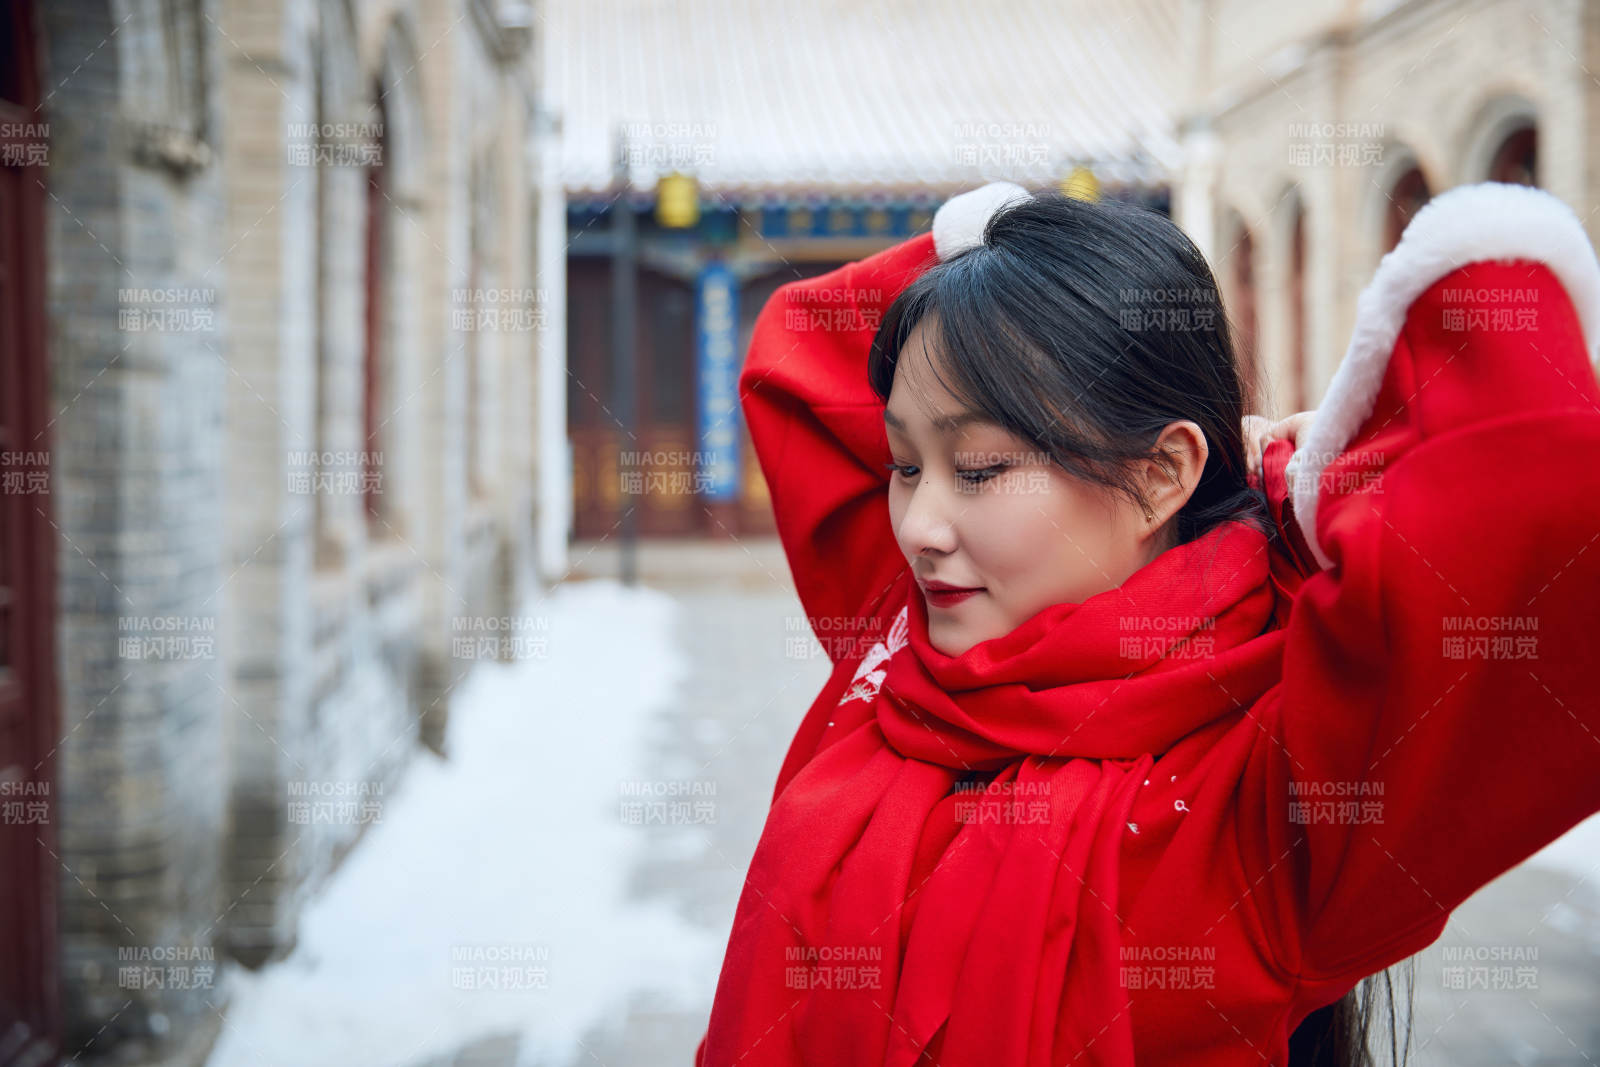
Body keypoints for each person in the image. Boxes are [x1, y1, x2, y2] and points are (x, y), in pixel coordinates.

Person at [694, 180, 1600, 1066]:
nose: (921, 526)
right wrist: (992, 255)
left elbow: (1537, 519)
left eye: (976, 468)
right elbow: (803, 348)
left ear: (1165, 474)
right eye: (902, 464)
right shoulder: (906, 637)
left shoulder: (1266, 787)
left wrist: (1301, 496)